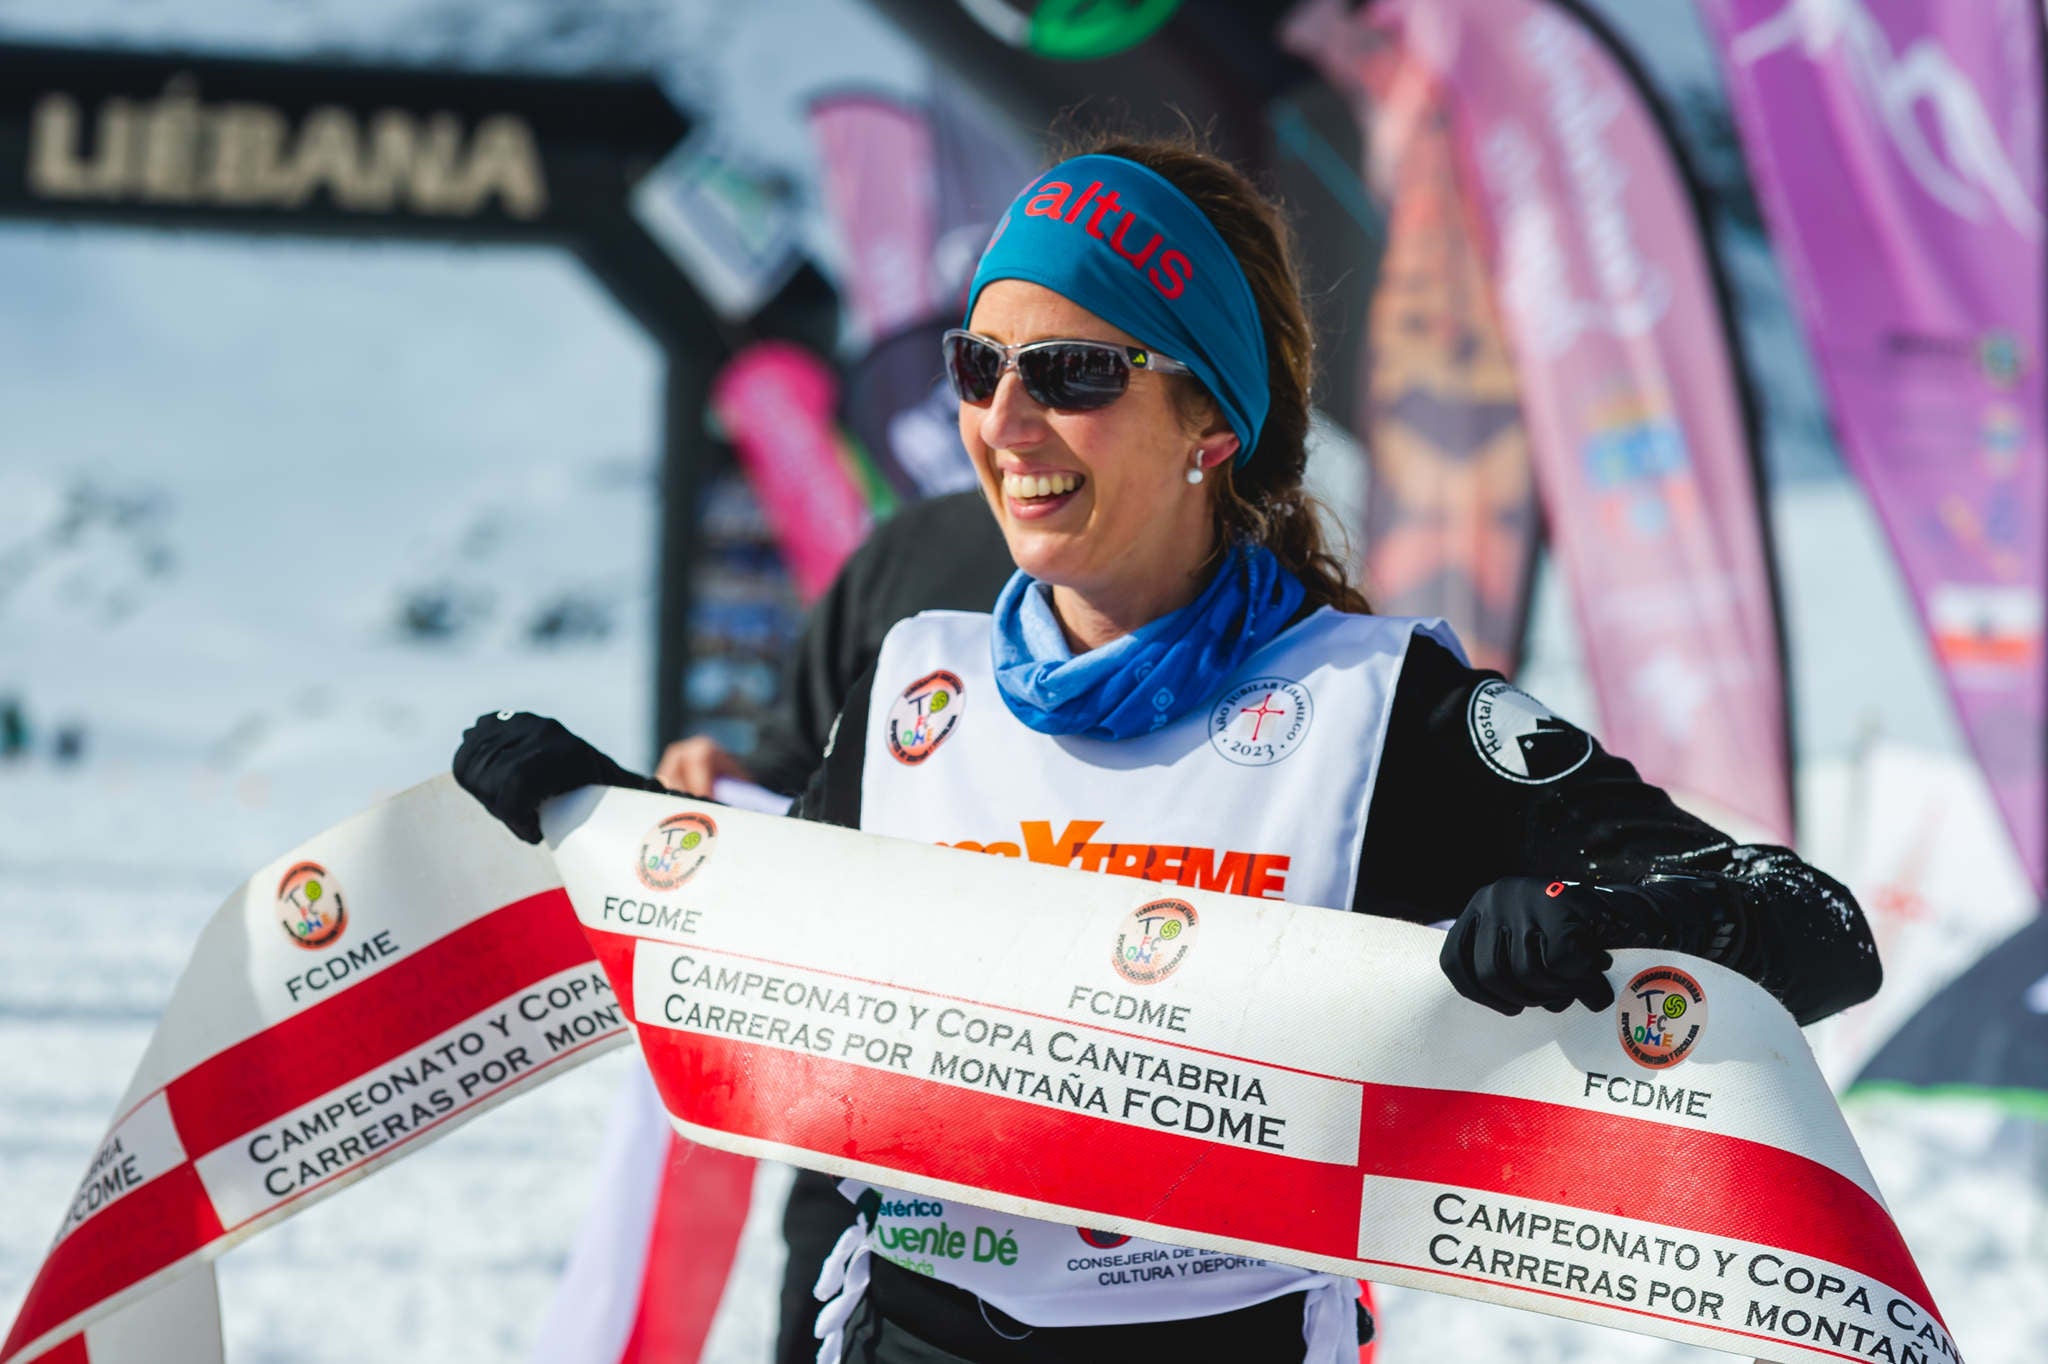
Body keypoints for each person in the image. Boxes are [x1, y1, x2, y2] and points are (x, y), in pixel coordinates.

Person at [454, 131, 1879, 1363]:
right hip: (912, 1330)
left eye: (1072, 372)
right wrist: (605, 824)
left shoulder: (1376, 706)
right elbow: (771, 978)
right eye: (978, 364)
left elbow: (1814, 931)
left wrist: (1585, 919)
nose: (1003, 423)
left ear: (1209, 419)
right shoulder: (920, 685)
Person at [656, 489, 1015, 800]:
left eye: (1060, 403)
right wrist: (725, 781)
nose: (1001, 424)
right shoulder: (917, 548)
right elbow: (798, 761)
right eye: (978, 402)